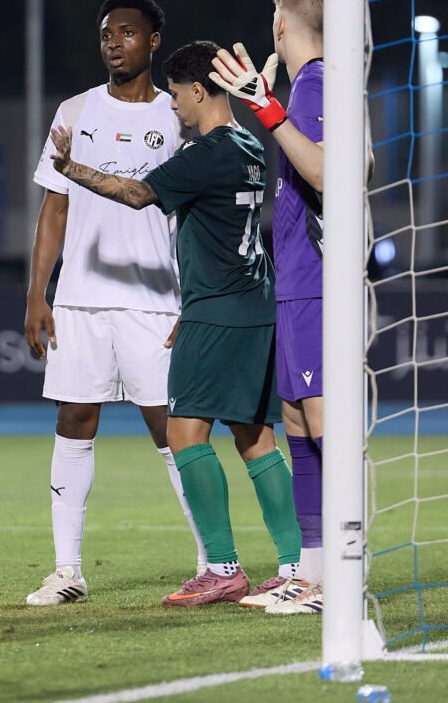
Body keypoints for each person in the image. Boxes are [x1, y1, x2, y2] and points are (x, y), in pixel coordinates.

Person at [49, 40, 301, 607]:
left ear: (198, 91)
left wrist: (70, 168)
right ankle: (292, 565)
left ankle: (222, 567)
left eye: (178, 96)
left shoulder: (205, 153)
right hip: (256, 305)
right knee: (256, 439)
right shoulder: (250, 145)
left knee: (184, 433)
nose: (174, 106)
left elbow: (137, 193)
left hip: (214, 311)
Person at [24, 0, 206, 607]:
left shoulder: (177, 117)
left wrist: (194, 296)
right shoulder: (76, 110)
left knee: (172, 429)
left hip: (154, 300)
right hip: (80, 299)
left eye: (127, 33)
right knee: (73, 421)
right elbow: (54, 207)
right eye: (106, 34)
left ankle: (212, 562)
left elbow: (198, 214)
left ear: (153, 42)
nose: (114, 43)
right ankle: (67, 571)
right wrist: (38, 294)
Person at [210, 0, 325, 615]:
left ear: (281, 26)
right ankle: (310, 574)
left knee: (324, 429)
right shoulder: (305, 85)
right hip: (297, 283)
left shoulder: (318, 82)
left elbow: (328, 171)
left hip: (317, 283)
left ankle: (339, 572)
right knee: (298, 424)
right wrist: (269, 103)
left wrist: (267, 107)